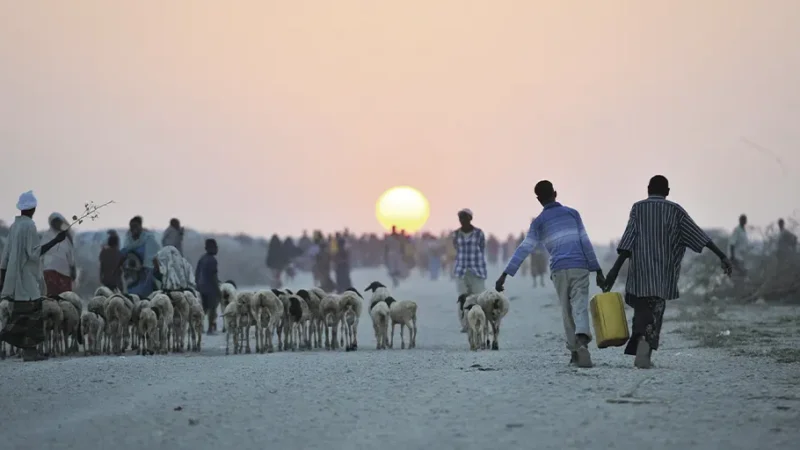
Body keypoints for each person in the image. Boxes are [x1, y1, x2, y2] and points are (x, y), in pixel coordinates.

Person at [603, 175, 732, 369]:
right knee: (655, 314)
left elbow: (627, 242)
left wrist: (614, 271)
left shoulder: (638, 208)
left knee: (641, 313)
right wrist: (722, 256)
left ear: (648, 189)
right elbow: (699, 236)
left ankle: (641, 347)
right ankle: (645, 351)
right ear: (668, 192)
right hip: (662, 276)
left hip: (640, 274)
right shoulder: (675, 210)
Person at [495, 181, 604, 368]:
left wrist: (506, 274)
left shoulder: (538, 222)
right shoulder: (573, 213)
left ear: (538, 199)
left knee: (566, 310)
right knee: (579, 305)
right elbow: (585, 242)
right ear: (555, 193)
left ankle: (575, 352)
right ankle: (582, 340)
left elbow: (524, 248)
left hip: (559, 268)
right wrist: (598, 270)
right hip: (580, 265)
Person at [0, 191, 68, 361]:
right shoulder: (29, 226)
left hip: (15, 280)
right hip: (27, 279)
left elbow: (6, 255)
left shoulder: (15, 227)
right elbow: (35, 253)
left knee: (19, 313)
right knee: (33, 314)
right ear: (33, 208)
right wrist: (56, 241)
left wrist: (3, 279)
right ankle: (28, 352)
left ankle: (29, 352)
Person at [121, 216, 162, 297]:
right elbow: (124, 256)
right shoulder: (128, 240)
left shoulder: (149, 240)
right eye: (131, 226)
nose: (133, 229)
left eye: (135, 226)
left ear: (140, 226)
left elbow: (154, 258)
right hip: (131, 277)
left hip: (146, 276)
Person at [453, 208, 488, 300]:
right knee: (463, 299)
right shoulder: (456, 234)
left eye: (464, 217)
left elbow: (482, 248)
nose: (462, 220)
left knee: (478, 299)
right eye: (460, 218)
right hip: (461, 270)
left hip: (477, 270)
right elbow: (455, 248)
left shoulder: (479, 233)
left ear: (470, 218)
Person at [41, 212, 77, 296]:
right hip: (50, 271)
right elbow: (41, 253)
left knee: (65, 297)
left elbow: (71, 256)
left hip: (64, 273)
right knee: (52, 297)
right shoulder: (47, 236)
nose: (57, 224)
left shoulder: (66, 237)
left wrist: (73, 270)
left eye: (58, 222)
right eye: (55, 222)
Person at [195, 239, 221, 334]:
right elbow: (213, 277)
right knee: (212, 309)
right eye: (215, 247)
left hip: (201, 287)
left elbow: (197, 273)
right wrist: (218, 291)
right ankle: (210, 328)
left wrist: (197, 285)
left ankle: (199, 327)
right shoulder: (213, 260)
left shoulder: (202, 258)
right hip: (210, 289)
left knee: (203, 309)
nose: (217, 249)